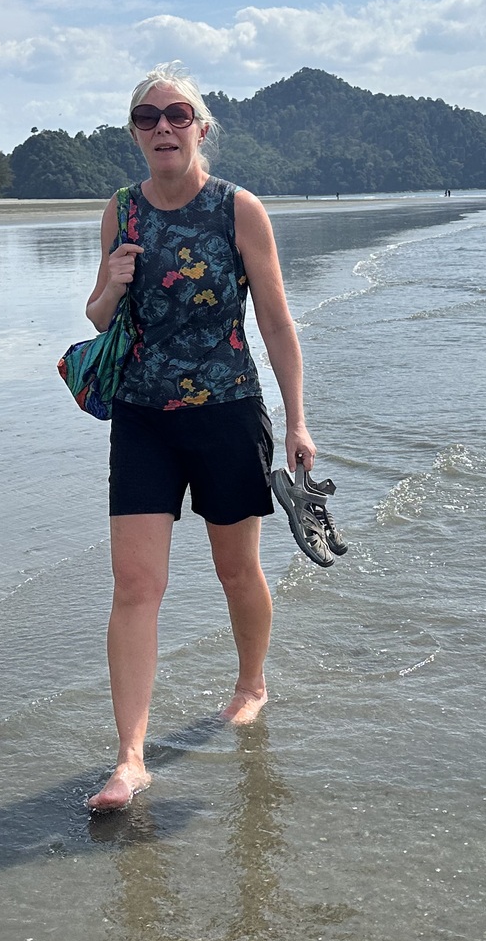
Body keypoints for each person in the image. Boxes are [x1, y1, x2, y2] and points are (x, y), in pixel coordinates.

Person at [81, 64, 317, 812]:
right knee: (134, 584)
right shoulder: (121, 210)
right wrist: (114, 282)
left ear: (201, 128)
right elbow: (96, 317)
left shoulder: (237, 209)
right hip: (143, 418)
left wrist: (298, 419)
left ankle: (252, 683)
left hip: (227, 412)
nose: (163, 127)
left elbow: (275, 320)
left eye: (177, 115)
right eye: (147, 117)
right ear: (134, 133)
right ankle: (129, 759)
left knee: (236, 571)